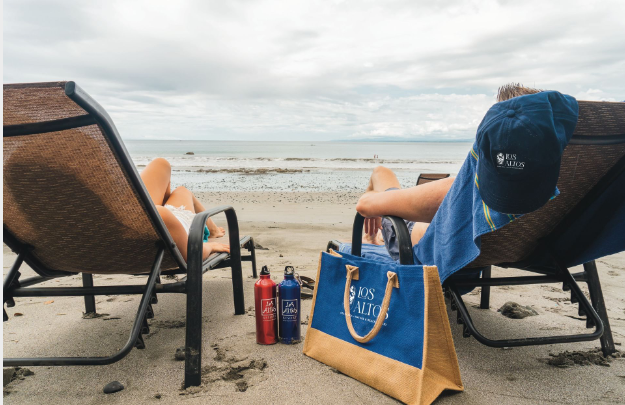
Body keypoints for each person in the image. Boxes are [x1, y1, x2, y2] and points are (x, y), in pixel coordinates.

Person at [140, 157, 230, 261]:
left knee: (161, 164)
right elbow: (190, 253)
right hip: (169, 224)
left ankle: (213, 230)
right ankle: (213, 230)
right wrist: (211, 246)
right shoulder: (161, 215)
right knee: (182, 191)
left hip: (138, 222)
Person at [356, 167, 454, 256]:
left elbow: (363, 204)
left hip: (407, 235)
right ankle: (374, 235)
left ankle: (370, 236)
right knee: (380, 171)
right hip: (426, 227)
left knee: (380, 172)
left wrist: (377, 202)